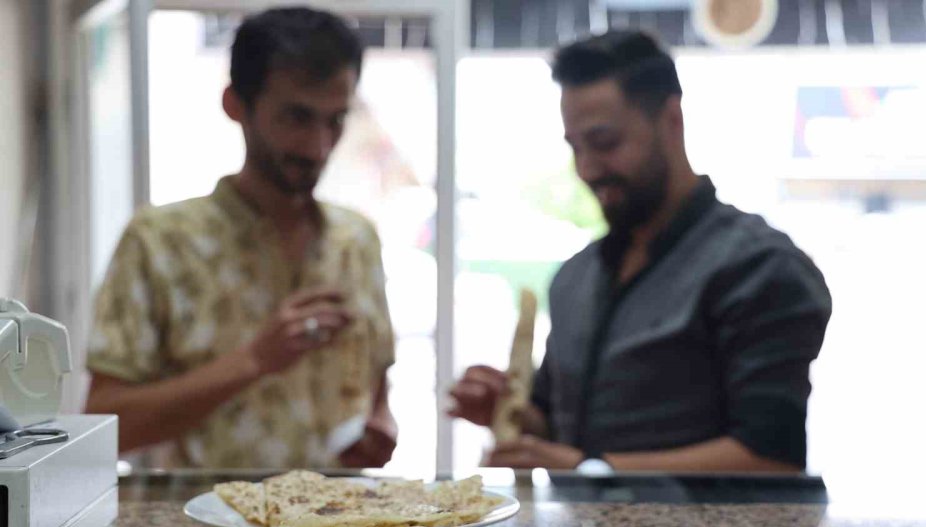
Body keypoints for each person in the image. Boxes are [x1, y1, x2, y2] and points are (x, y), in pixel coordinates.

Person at [449, 31, 832, 473]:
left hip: (700, 525)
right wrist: (511, 413)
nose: (587, 169)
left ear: (671, 119)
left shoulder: (760, 268)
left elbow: (771, 459)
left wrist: (592, 470)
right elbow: (559, 425)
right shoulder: (575, 277)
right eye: (575, 147)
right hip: (579, 523)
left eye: (605, 143)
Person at [85, 8, 396, 468]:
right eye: (297, 117)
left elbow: (376, 393)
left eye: (335, 120)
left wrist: (380, 427)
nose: (318, 146)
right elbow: (104, 427)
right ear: (236, 105)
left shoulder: (357, 240)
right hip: (198, 515)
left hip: (339, 512)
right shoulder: (159, 242)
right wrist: (254, 359)